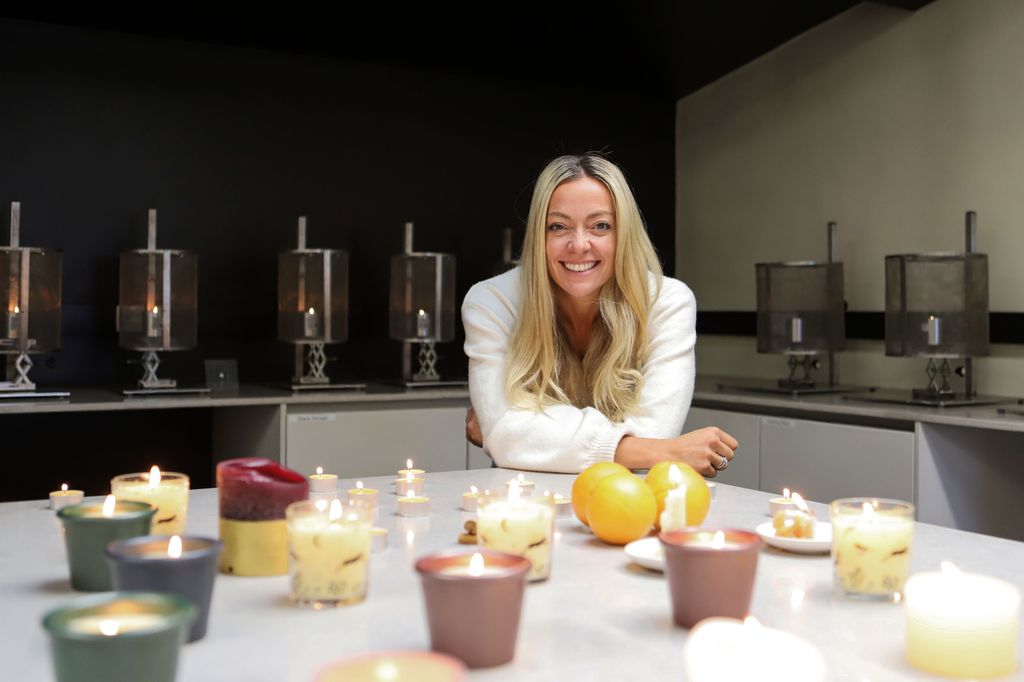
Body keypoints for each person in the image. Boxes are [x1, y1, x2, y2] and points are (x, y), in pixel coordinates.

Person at [461, 153, 737, 475]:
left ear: (624, 235)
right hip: (523, 502)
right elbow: (505, 433)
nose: (579, 245)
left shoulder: (668, 301)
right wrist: (652, 450)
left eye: (600, 226)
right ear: (539, 235)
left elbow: (655, 433)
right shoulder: (491, 301)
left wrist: (525, 435)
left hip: (623, 501)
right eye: (558, 226)